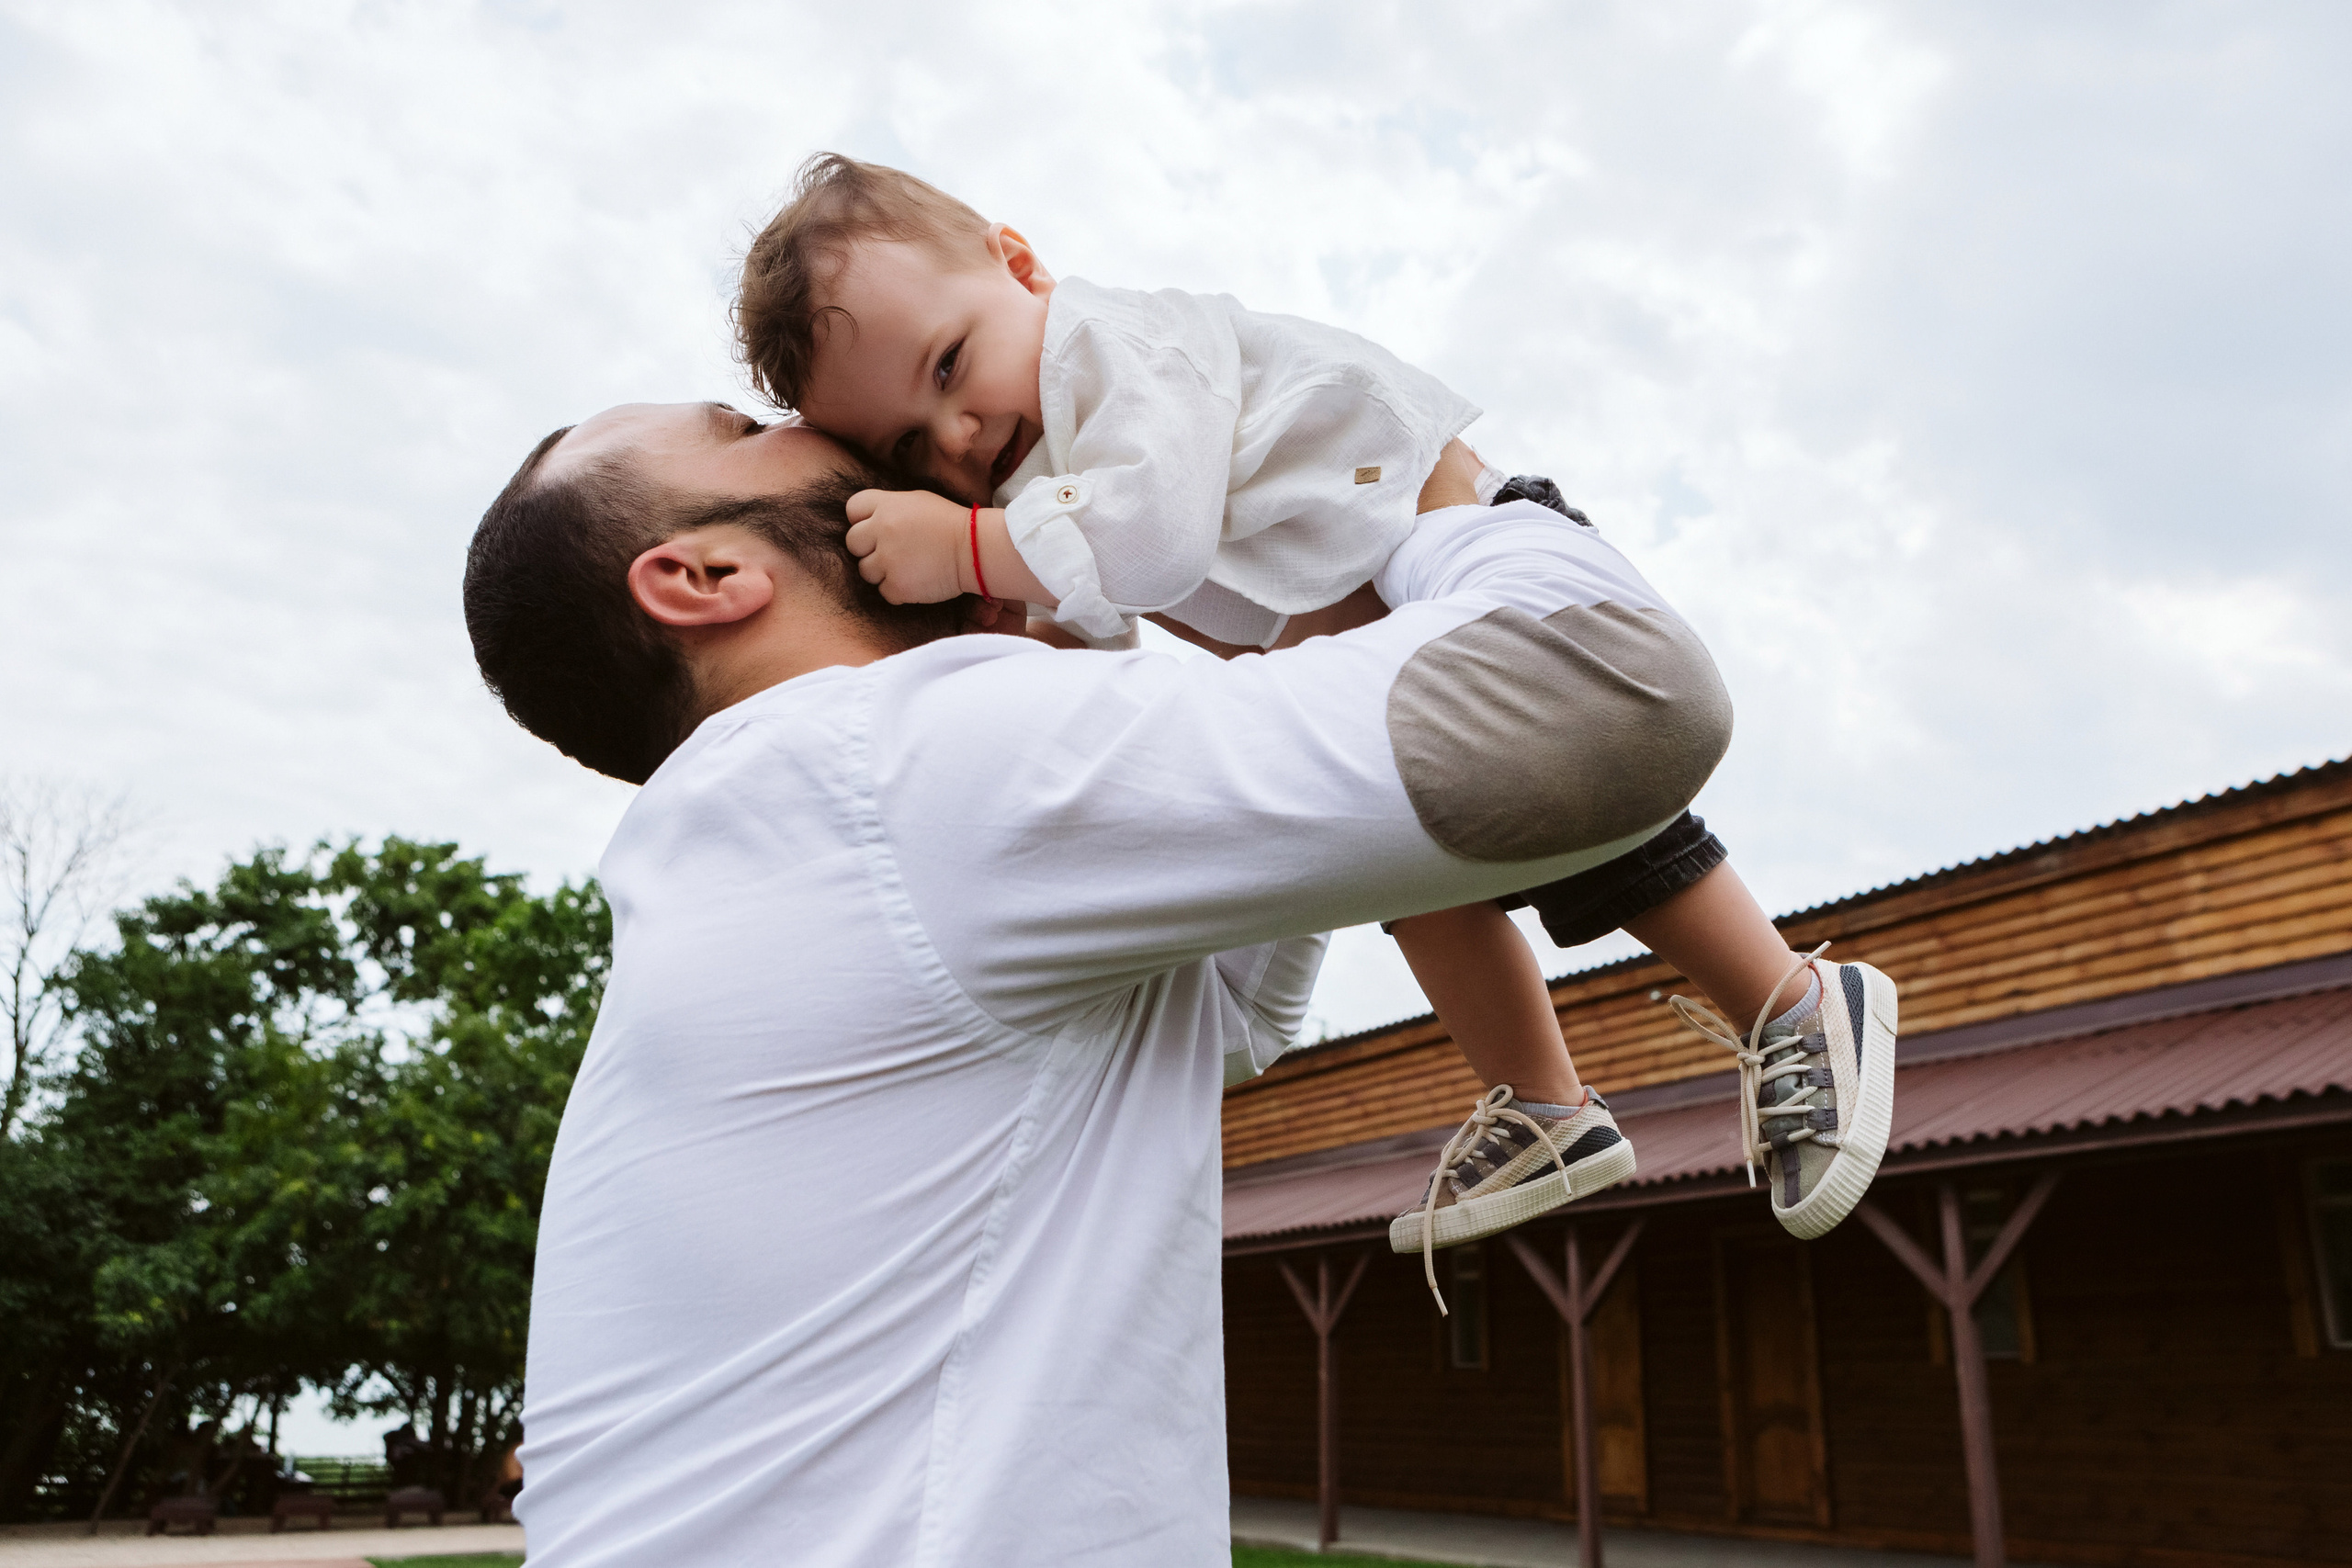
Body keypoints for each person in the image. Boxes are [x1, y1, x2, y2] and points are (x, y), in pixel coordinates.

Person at [463, 403, 1875, 1564]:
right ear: (703, 577)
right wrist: (1426, 469)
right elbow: (1612, 695)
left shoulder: (772, 828)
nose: (807, 416)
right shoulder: (898, 756)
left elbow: (1225, 1023)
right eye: (744, 426)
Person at [730, 155, 1898, 1271]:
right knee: (1412, 875)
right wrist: (1016, 629)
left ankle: (1793, 998)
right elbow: (1104, 624)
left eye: (946, 368)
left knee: (1589, 768)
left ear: (1019, 264)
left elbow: (1154, 535)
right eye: (907, 446)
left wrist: (970, 543)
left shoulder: (1120, 346)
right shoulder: (1043, 487)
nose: (955, 438)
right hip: (1366, 642)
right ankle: (1549, 1105)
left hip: (1448, 546)